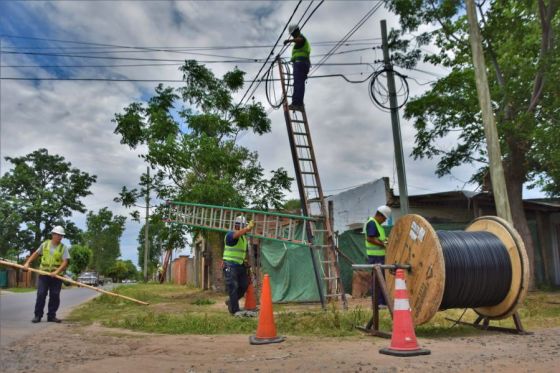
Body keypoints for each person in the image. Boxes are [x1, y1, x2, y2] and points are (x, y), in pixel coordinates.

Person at [23, 225, 70, 323]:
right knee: (41, 294)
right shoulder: (45, 244)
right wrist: (28, 263)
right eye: (58, 235)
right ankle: (37, 315)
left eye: (61, 235)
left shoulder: (63, 248)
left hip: (56, 276)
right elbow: (36, 253)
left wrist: (56, 272)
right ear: (53, 234)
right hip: (44, 274)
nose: (60, 237)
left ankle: (51, 316)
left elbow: (65, 262)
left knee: (55, 295)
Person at [223, 215, 255, 315]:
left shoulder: (243, 238)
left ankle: (231, 302)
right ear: (236, 225)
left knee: (244, 285)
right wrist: (247, 228)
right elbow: (235, 235)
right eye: (239, 225)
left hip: (240, 265)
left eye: (243, 226)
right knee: (233, 286)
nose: (240, 227)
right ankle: (235, 310)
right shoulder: (230, 234)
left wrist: (246, 264)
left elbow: (242, 253)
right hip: (229, 265)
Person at [364, 205, 392, 307]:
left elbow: (378, 238)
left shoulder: (378, 225)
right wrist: (383, 244)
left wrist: (386, 241)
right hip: (375, 257)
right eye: (384, 218)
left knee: (382, 279)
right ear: (380, 215)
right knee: (377, 280)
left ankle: (383, 302)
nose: (384, 221)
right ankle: (378, 303)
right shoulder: (372, 223)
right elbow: (370, 239)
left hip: (380, 257)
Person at [283, 24, 311, 111]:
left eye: (292, 34)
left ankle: (297, 104)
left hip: (300, 63)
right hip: (302, 64)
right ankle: (299, 103)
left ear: (296, 31)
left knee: (298, 83)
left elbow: (299, 40)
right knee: (298, 83)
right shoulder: (299, 42)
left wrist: (289, 41)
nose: (292, 35)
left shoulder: (301, 38)